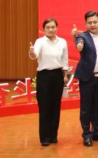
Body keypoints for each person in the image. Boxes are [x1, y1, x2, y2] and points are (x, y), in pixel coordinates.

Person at [74, 11, 98, 147]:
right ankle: (86, 134)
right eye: (89, 22)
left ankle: (97, 132)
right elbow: (79, 43)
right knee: (86, 108)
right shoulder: (82, 36)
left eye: (95, 22)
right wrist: (79, 45)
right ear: (85, 24)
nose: (92, 25)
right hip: (87, 78)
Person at [28, 18, 68, 146]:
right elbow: (34, 55)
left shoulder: (62, 42)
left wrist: (65, 75)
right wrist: (31, 52)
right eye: (48, 27)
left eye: (53, 27)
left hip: (58, 75)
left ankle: (53, 135)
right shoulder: (40, 41)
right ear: (44, 29)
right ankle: (44, 137)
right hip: (44, 76)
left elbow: (65, 60)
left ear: (57, 28)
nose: (51, 29)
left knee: (56, 106)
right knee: (44, 106)